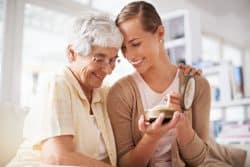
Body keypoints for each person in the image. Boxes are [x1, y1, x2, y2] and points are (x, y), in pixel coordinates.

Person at [107, 1, 247, 167]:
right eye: (123, 48)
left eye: (135, 44)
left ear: (160, 33)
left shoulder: (197, 84)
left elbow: (200, 159)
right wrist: (151, 137)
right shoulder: (120, 93)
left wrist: (182, 124)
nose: (129, 55)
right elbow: (125, 164)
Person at [7, 13, 123, 167]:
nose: (108, 69)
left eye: (113, 60)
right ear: (72, 53)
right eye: (99, 59)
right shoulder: (57, 84)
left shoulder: (102, 93)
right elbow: (57, 157)